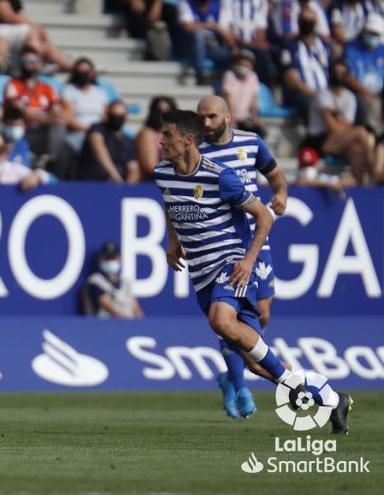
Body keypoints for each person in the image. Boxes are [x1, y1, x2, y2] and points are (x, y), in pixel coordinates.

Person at [154, 109, 351, 434]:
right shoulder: (162, 172)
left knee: (222, 320)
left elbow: (264, 216)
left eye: (167, 135)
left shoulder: (221, 176)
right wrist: (173, 240)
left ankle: (289, 382)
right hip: (201, 273)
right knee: (254, 361)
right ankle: (330, 398)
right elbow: (169, 201)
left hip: (230, 263)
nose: (161, 141)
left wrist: (248, 260)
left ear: (188, 140)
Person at [196, 95, 289, 419]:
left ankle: (231, 376)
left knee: (260, 316)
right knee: (229, 320)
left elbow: (275, 174)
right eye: (200, 118)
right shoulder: (196, 152)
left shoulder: (251, 143)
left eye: (210, 117)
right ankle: (238, 384)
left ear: (227, 117)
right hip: (224, 244)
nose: (204, 124)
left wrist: (281, 193)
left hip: (257, 239)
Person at [304, 59, 379, 184]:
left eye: (343, 73)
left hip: (339, 141)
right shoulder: (323, 95)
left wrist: (339, 122)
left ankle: (357, 185)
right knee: (360, 132)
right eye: (336, 72)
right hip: (318, 141)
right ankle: (372, 163)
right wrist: (342, 125)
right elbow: (332, 126)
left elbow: (346, 126)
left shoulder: (350, 97)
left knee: (357, 149)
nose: (339, 76)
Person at [280, 7, 331, 120]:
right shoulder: (290, 46)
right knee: (311, 104)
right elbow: (290, 78)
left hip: (326, 93)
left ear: (316, 23)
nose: (307, 24)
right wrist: (314, 93)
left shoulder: (324, 46)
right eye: (304, 21)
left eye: (310, 22)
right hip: (303, 93)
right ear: (298, 22)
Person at [75, 100, 140, 183]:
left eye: (120, 116)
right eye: (114, 115)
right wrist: (116, 178)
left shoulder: (128, 140)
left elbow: (133, 167)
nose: (117, 119)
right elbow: (100, 151)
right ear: (107, 114)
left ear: (126, 116)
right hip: (93, 181)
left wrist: (127, 189)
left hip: (119, 185)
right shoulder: (97, 129)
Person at [178, 0, 237, 85]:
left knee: (231, 53)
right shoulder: (186, 3)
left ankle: (222, 81)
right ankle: (200, 74)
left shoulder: (220, 5)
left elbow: (225, 31)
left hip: (211, 47)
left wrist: (233, 47)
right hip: (189, 47)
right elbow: (187, 26)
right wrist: (212, 26)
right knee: (198, 35)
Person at [80, 242, 143, 319]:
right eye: (107, 258)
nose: (110, 261)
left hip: (129, 325)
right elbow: (110, 309)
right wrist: (129, 323)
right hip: (105, 326)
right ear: (100, 259)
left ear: (119, 259)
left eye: (113, 258)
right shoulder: (95, 281)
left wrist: (142, 325)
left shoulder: (126, 283)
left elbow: (136, 308)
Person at [220, 50, 264, 136]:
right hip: (231, 118)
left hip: (245, 119)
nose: (243, 67)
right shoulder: (229, 75)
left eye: (246, 65)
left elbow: (253, 100)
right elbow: (228, 97)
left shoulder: (253, 76)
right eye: (241, 64)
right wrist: (231, 118)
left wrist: (255, 118)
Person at [136, 95, 177, 179]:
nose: (163, 115)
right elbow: (150, 167)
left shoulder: (178, 134)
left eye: (168, 111)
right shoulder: (147, 133)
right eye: (159, 111)